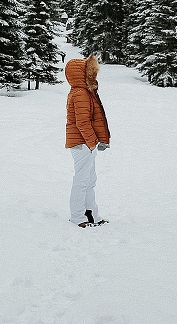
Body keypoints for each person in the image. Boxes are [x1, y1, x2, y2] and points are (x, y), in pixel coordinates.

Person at [64, 54, 111, 227]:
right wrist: (93, 142)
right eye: (89, 72)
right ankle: (77, 217)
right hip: (82, 143)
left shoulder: (85, 92)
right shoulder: (80, 93)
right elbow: (82, 122)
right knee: (82, 180)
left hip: (86, 143)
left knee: (89, 180)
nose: (93, 75)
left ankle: (91, 215)